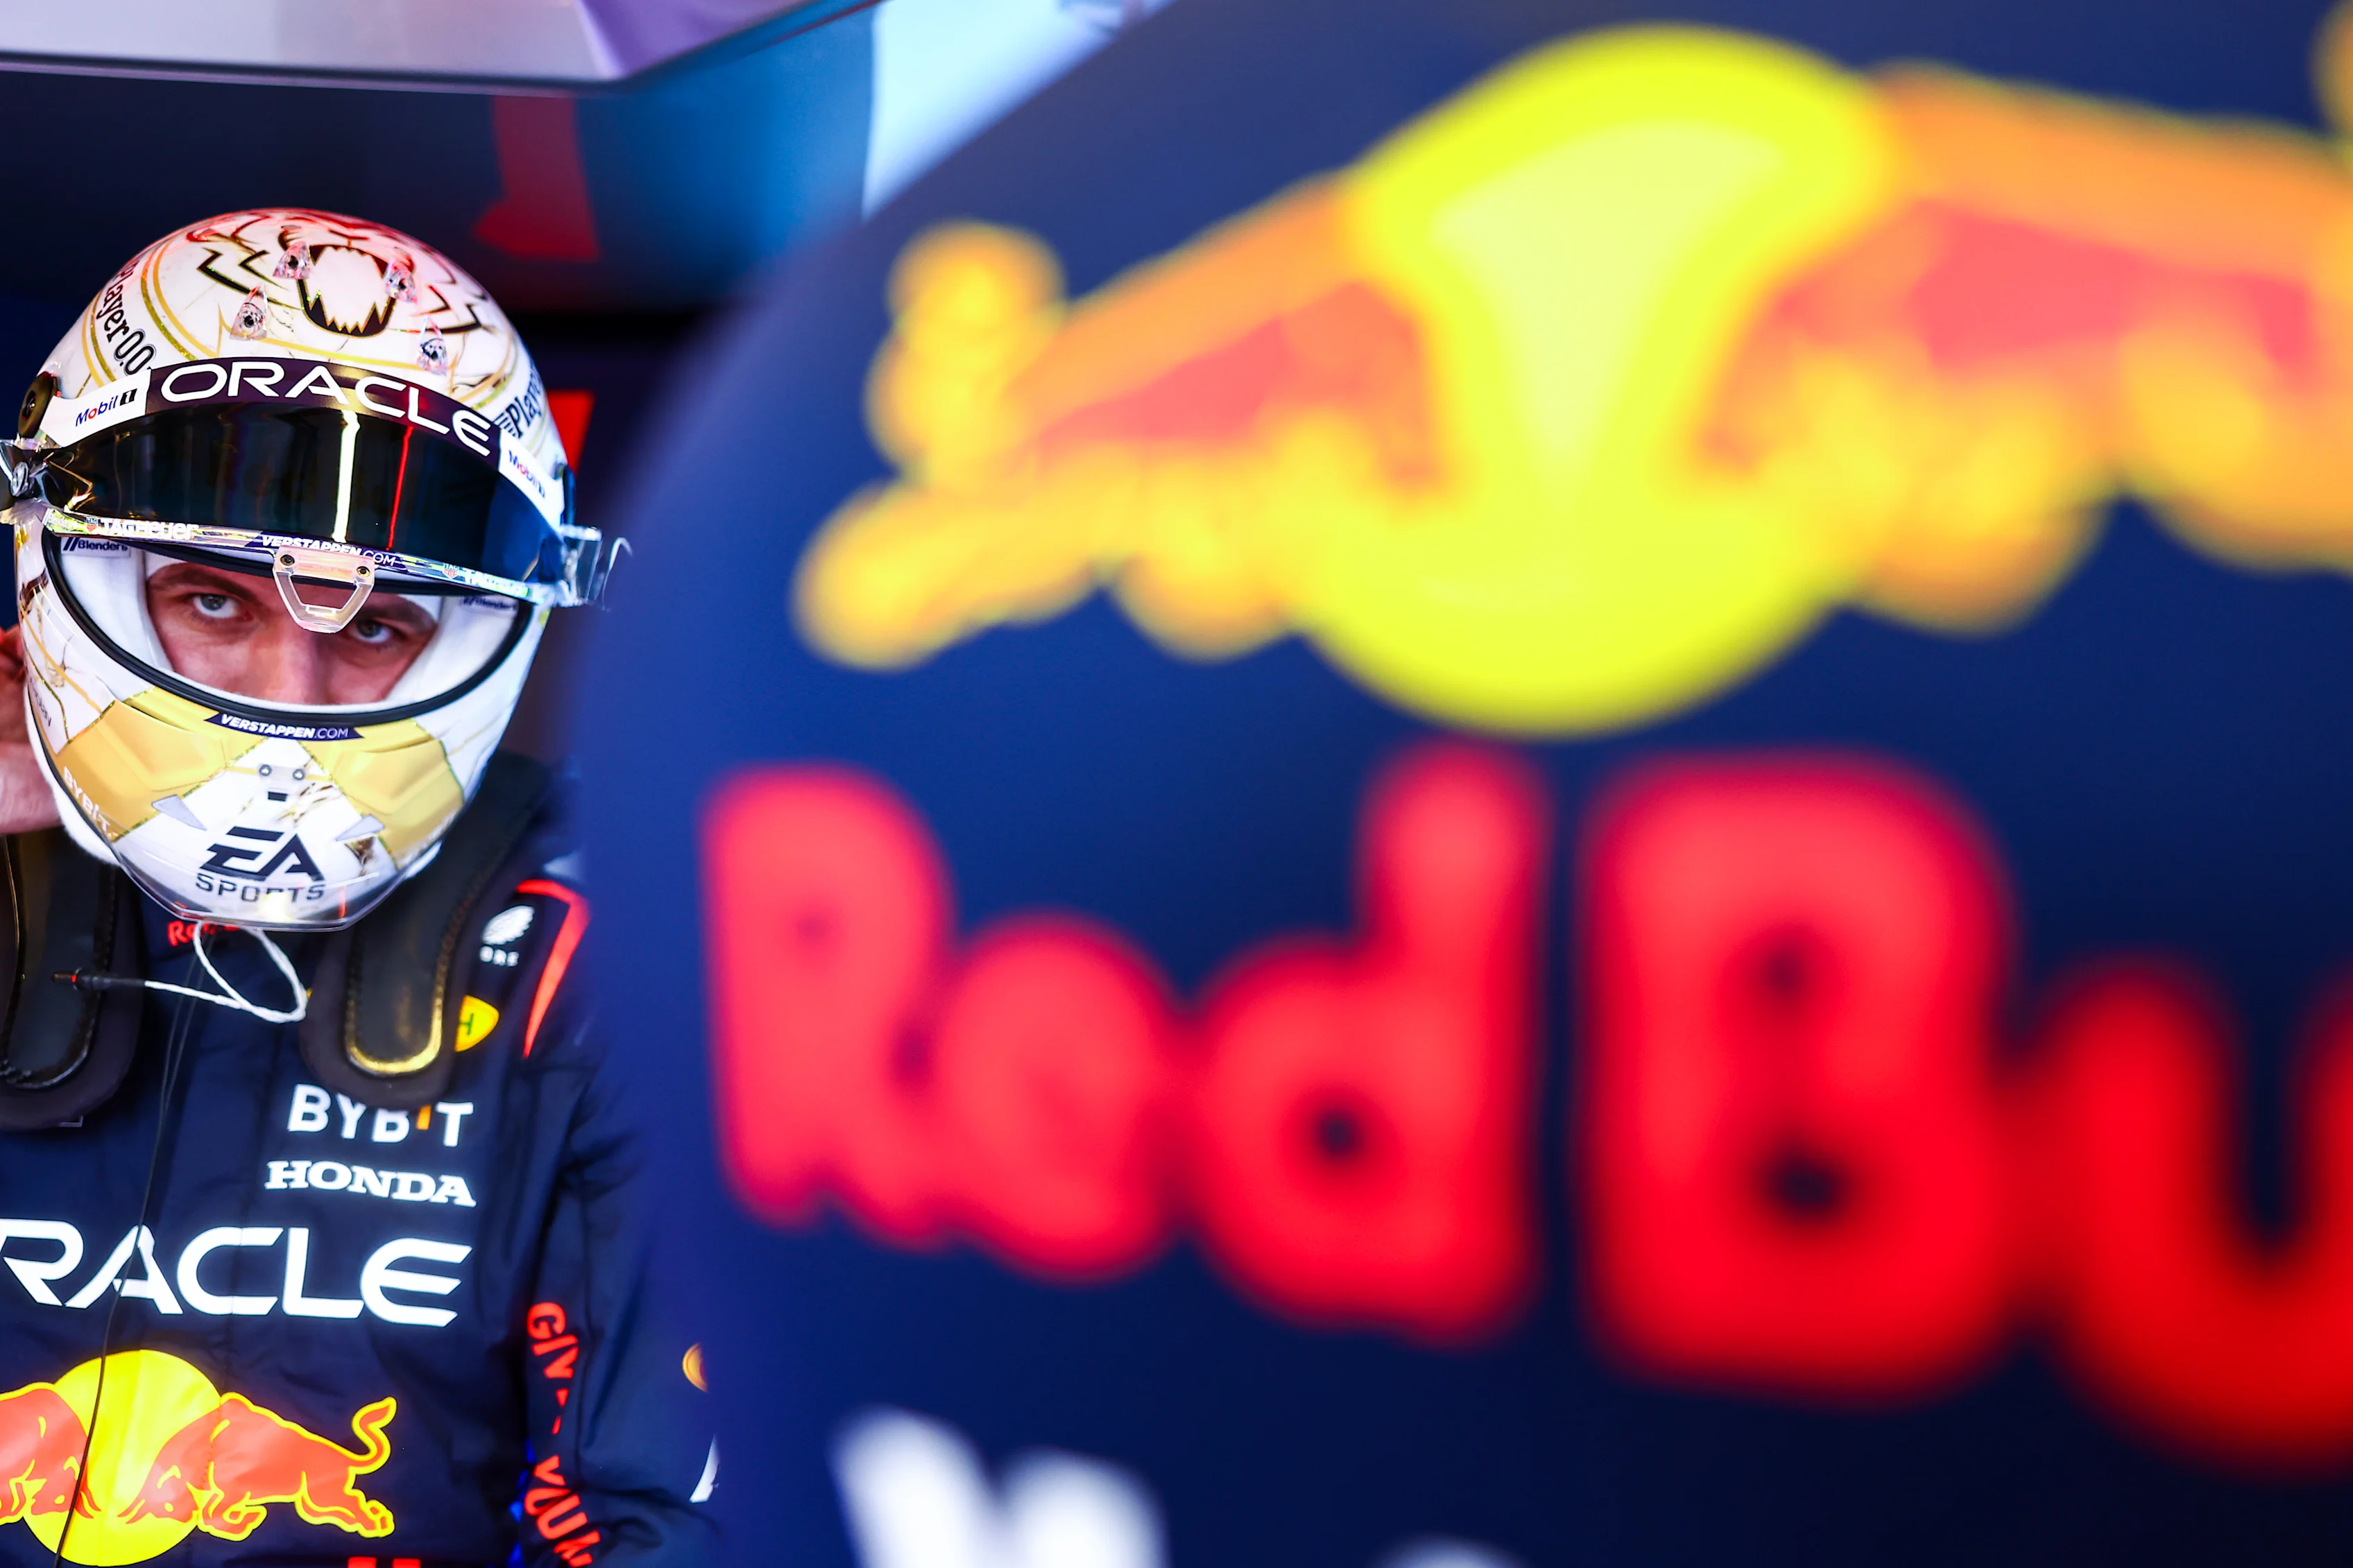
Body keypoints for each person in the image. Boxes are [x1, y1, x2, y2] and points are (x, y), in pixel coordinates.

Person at [0, 210, 713, 1567]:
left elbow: (665, 1517)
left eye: (377, 626)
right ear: (66, 562)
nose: (290, 699)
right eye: (213, 601)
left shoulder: (593, 946)